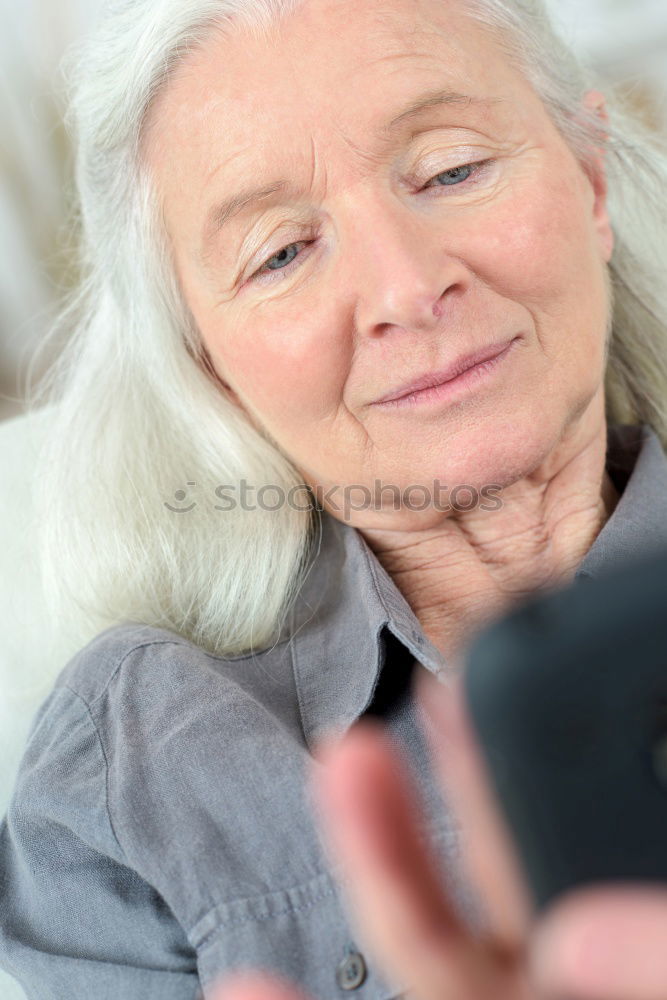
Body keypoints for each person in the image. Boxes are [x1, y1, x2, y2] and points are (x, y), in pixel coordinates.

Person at [1, 0, 667, 996]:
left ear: (589, 179)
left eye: (451, 170)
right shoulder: (131, 765)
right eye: (280, 252)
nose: (404, 287)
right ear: (210, 366)